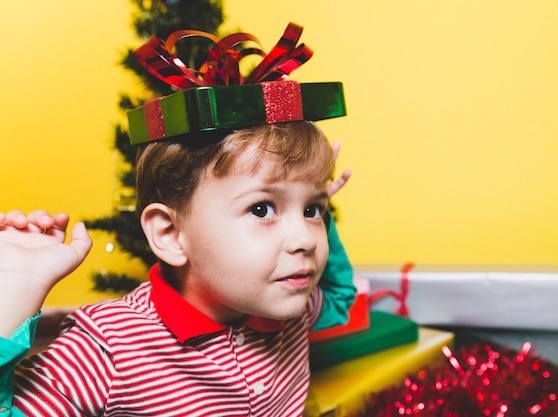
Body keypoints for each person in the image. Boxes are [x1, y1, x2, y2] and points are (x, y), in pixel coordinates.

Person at [0, 25, 355, 416]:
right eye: (261, 209)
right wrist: (11, 295)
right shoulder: (110, 348)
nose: (304, 238)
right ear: (170, 234)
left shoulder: (286, 304)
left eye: (312, 211)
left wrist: (313, 203)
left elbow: (339, 299)